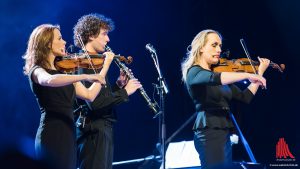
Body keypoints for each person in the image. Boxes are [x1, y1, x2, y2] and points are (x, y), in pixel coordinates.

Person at [23, 24, 115, 169]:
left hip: (68, 134)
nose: (65, 42)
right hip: (51, 133)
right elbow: (49, 80)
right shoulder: (37, 70)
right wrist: (84, 76)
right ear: (47, 43)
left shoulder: (66, 72)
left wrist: (104, 68)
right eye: (59, 38)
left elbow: (89, 95)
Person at [181, 29, 270, 169]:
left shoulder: (219, 73)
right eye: (214, 45)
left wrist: (259, 73)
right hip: (209, 132)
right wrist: (247, 75)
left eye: (220, 46)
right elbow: (214, 79)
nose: (219, 50)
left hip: (224, 131)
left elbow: (244, 97)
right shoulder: (194, 72)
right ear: (201, 48)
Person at [73, 13, 142, 169]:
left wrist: (118, 86)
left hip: (103, 128)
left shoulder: (95, 61)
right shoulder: (84, 62)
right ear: (90, 35)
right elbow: (95, 104)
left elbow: (101, 96)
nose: (108, 39)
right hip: (93, 130)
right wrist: (126, 92)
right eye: (104, 34)